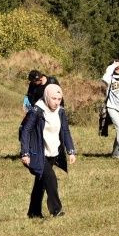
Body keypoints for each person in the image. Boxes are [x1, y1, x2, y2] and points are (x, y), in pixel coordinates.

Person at [19, 82, 77, 218]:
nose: (57, 102)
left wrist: (71, 150)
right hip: (37, 153)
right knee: (51, 179)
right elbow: (26, 131)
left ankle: (33, 212)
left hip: (52, 152)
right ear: (47, 97)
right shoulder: (37, 111)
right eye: (54, 99)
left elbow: (65, 131)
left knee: (40, 183)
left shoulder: (60, 111)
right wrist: (25, 153)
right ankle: (56, 210)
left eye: (59, 99)